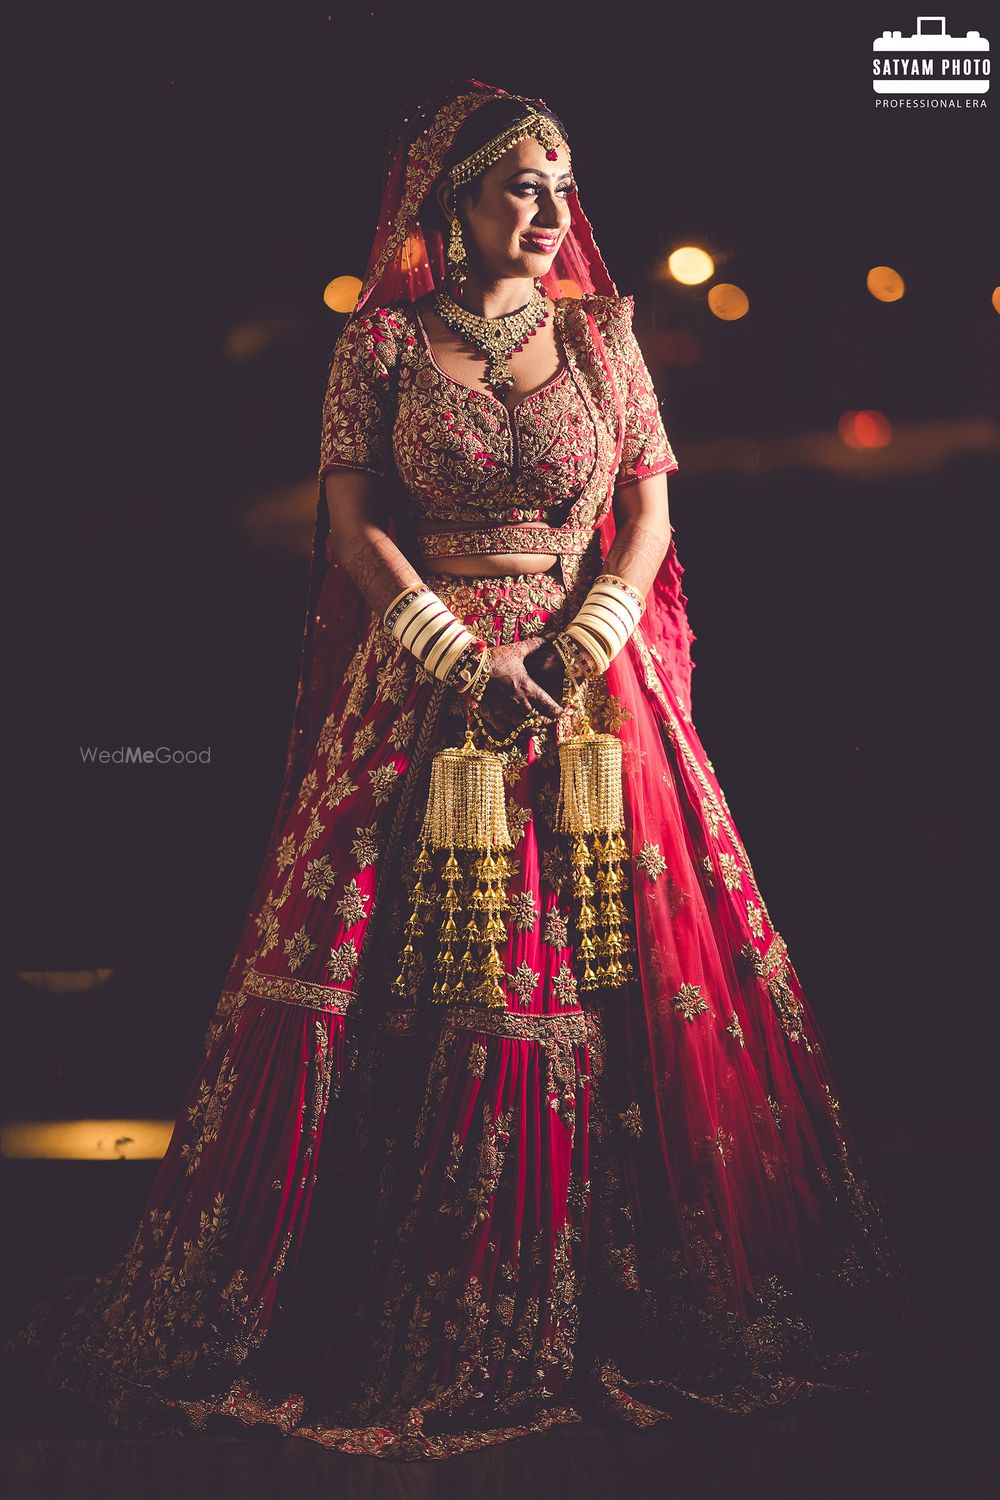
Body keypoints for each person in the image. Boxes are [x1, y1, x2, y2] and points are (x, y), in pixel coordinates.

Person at [2, 79, 898, 1460]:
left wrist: (589, 641)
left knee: (630, 971)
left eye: (560, 187)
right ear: (451, 202)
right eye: (517, 188)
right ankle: (398, 1290)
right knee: (406, 975)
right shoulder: (381, 344)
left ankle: (634, 1304)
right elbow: (353, 517)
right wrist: (450, 650)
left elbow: (651, 510)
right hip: (430, 688)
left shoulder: (605, 337)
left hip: (599, 693)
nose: (547, 213)